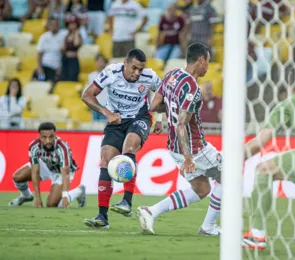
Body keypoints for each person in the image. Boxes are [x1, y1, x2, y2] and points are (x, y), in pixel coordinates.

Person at [136, 42, 222, 236]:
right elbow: (182, 124)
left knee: (201, 189)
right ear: (201, 59)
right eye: (208, 61)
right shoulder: (193, 89)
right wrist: (189, 158)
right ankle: (208, 227)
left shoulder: (171, 74)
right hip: (194, 148)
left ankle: (152, 211)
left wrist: (166, 112)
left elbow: (155, 104)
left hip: (173, 146)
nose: (208, 66)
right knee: (229, 175)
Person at [81, 48, 163, 228]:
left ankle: (126, 202)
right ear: (125, 63)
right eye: (134, 68)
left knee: (129, 147)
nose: (137, 73)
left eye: (140, 69)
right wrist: (107, 113)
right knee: (105, 160)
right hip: (115, 120)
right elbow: (86, 95)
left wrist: (160, 118)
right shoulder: (111, 72)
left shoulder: (149, 77)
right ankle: (102, 217)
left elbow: (164, 95)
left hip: (139, 118)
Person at [242, 66, 295, 250]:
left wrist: (233, 160)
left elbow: (261, 141)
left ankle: (257, 234)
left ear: (287, 88)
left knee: (263, 170)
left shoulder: (288, 103)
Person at [8, 122, 86, 208]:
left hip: (61, 172)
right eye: (44, 137)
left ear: (55, 135)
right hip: (46, 165)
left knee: (52, 204)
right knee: (18, 177)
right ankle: (26, 196)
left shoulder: (62, 147)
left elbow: (65, 174)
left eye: (51, 137)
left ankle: (79, 191)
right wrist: (38, 198)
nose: (48, 141)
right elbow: (35, 172)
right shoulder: (34, 146)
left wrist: (65, 195)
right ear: (39, 136)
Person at [86, 54, 109, 121]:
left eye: (101, 61)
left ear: (105, 62)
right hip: (95, 106)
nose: (99, 63)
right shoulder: (91, 76)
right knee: (95, 125)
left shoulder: (109, 75)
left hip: (105, 105)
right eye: (98, 61)